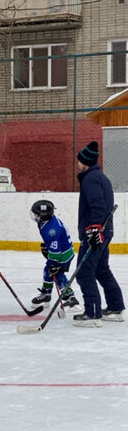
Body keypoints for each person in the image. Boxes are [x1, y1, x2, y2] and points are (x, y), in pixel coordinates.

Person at [74, 140, 125, 327]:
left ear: (86, 162)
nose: (77, 163)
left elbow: (98, 205)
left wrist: (94, 229)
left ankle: (92, 314)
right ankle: (115, 308)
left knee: (84, 272)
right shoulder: (101, 177)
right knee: (101, 270)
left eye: (79, 160)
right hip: (104, 231)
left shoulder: (90, 179)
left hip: (95, 233)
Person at [30, 199, 79, 309]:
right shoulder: (45, 222)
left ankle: (71, 298)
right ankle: (46, 294)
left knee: (57, 273)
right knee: (48, 270)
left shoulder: (52, 230)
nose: (34, 216)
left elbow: (56, 251)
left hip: (63, 255)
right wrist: (48, 248)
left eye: (36, 214)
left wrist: (53, 263)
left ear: (43, 215)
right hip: (61, 250)